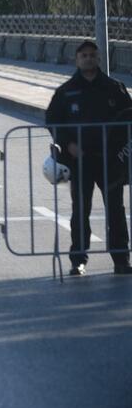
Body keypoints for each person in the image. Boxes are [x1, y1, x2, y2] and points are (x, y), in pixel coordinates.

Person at [45, 39, 132, 276]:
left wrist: (122, 147)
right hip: (80, 161)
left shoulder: (114, 88)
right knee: (80, 211)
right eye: (83, 56)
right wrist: (67, 143)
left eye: (92, 55)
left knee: (115, 210)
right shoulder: (66, 91)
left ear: (99, 58)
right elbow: (52, 119)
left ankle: (121, 259)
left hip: (110, 161)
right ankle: (78, 260)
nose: (88, 59)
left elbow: (128, 117)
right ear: (77, 60)